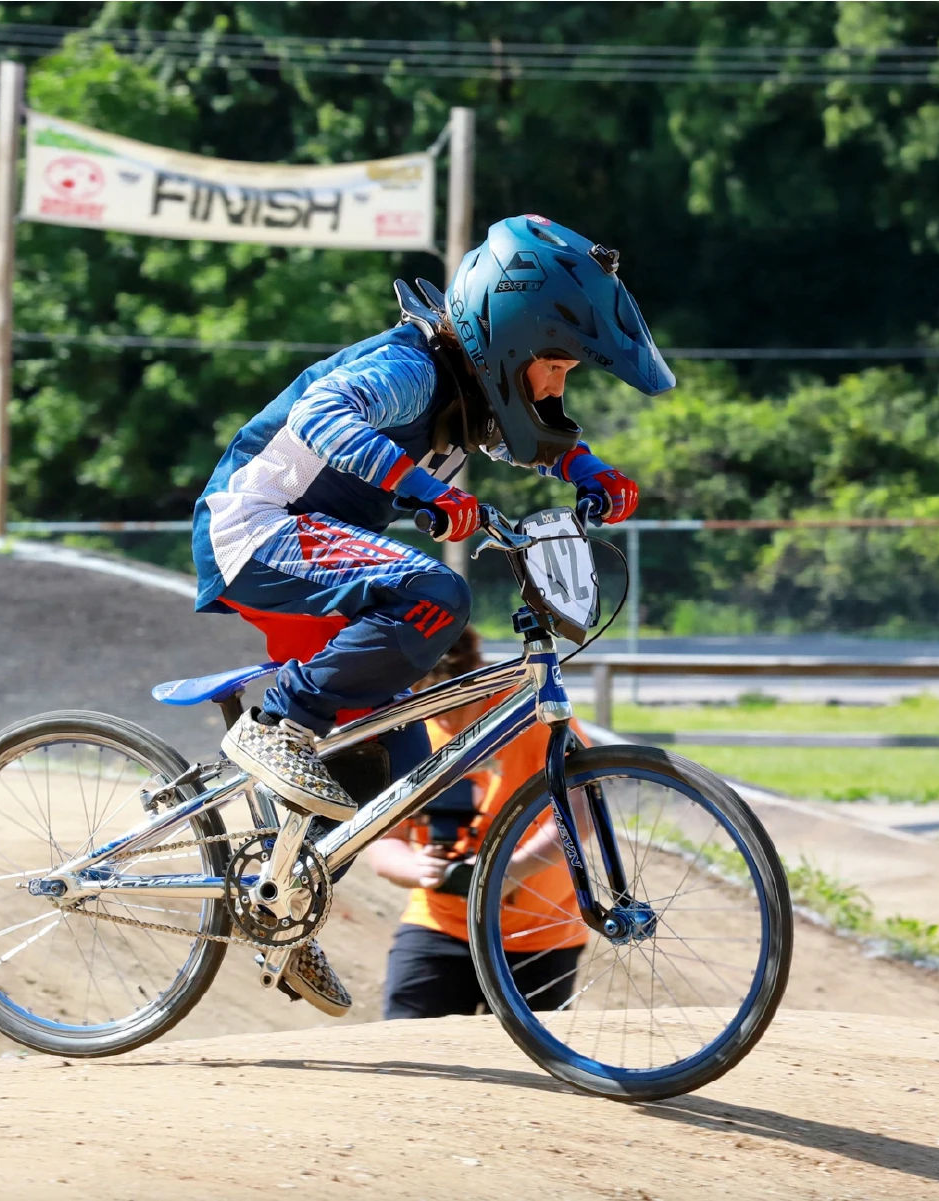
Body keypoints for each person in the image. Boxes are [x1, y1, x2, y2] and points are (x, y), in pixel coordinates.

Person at [192, 214, 674, 1015]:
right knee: (437, 596)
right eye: (555, 366)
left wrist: (588, 467)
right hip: (257, 528)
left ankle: (276, 901)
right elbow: (320, 418)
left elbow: (524, 444)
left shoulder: (466, 396)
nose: (557, 387)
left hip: (318, 556)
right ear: (512, 342)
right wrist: (423, 491)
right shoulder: (408, 366)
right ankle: (276, 721)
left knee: (397, 769)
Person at [363, 627, 592, 1019]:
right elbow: (382, 841)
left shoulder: (530, 714)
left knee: (532, 1066)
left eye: (456, 707)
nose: (445, 722)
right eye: (430, 706)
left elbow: (580, 815)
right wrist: (416, 868)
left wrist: (510, 870)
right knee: (406, 1045)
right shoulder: (405, 731)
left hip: (541, 930)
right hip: (440, 923)